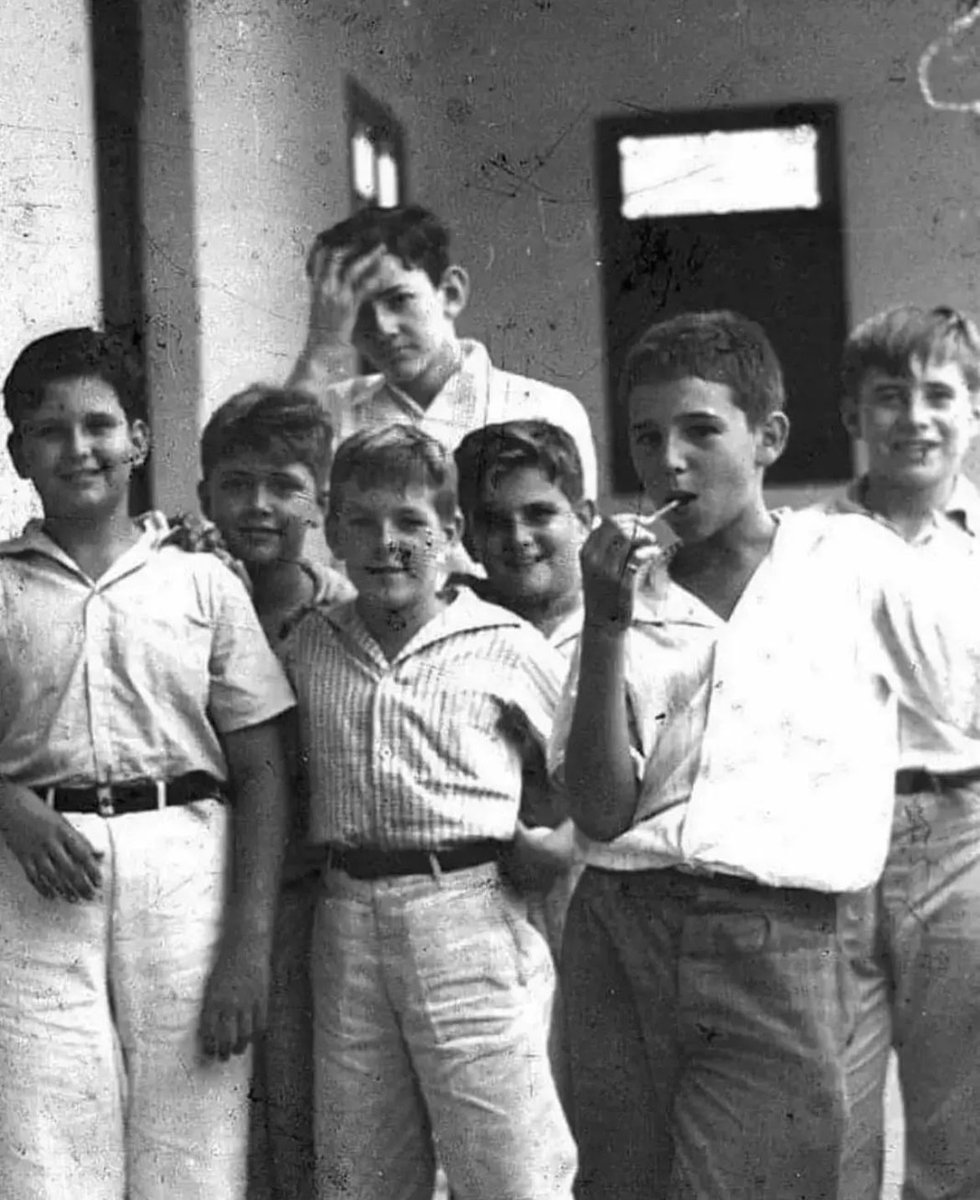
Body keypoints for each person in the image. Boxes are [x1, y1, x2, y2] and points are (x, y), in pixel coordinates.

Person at [551, 309, 980, 1200]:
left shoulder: (848, 559)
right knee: (618, 1186)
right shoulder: (632, 596)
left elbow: (967, 695)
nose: (669, 460)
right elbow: (597, 810)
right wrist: (604, 620)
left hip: (773, 939)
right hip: (617, 931)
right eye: (646, 436)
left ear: (769, 437)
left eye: (701, 430)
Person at [0, 328, 296, 1200]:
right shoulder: (2, 586)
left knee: (193, 1154)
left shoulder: (201, 582)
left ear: (137, 438)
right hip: (34, 875)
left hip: (186, 873)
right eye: (50, 430)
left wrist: (247, 943)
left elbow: (265, 768)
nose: (78, 448)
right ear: (18, 450)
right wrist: (5, 804)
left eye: (99, 425)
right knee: (45, 1151)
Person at [281, 423, 577, 1200]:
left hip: (470, 911)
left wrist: (563, 839)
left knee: (509, 1166)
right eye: (364, 522)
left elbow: (593, 777)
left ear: (451, 534)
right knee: (361, 1171)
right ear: (332, 532)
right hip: (346, 919)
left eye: (412, 523)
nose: (388, 544)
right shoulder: (308, 644)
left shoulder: (504, 644)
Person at [821, 305, 980, 1199]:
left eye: (938, 395)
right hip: (841, 837)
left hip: (964, 835)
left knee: (959, 1111)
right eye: (889, 397)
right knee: (831, 1103)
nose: (915, 418)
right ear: (852, 416)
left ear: (975, 412)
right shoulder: (806, 543)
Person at [197, 385, 354, 1200]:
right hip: (192, 896)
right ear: (202, 496)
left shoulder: (346, 618)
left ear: (321, 501)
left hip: (309, 901)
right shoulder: (179, 601)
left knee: (303, 1118)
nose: (258, 505)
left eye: (284, 485)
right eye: (236, 483)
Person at [286, 204, 599, 503]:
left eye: (399, 300)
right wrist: (322, 345)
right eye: (357, 312)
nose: (382, 327)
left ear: (451, 293)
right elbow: (271, 485)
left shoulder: (545, 409)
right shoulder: (329, 412)